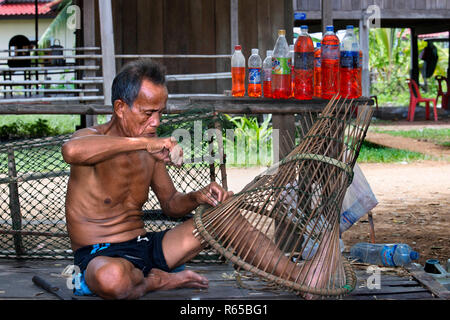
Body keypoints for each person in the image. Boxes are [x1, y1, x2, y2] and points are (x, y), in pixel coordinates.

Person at [62, 59, 332, 300]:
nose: (156, 122)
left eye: (160, 112)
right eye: (148, 113)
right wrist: (143, 144)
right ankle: (155, 282)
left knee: (223, 217)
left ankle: (300, 277)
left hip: (145, 248)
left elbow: (169, 203)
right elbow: (72, 151)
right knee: (112, 278)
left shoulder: (150, 149)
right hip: (99, 256)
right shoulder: (91, 139)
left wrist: (197, 197)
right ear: (120, 108)